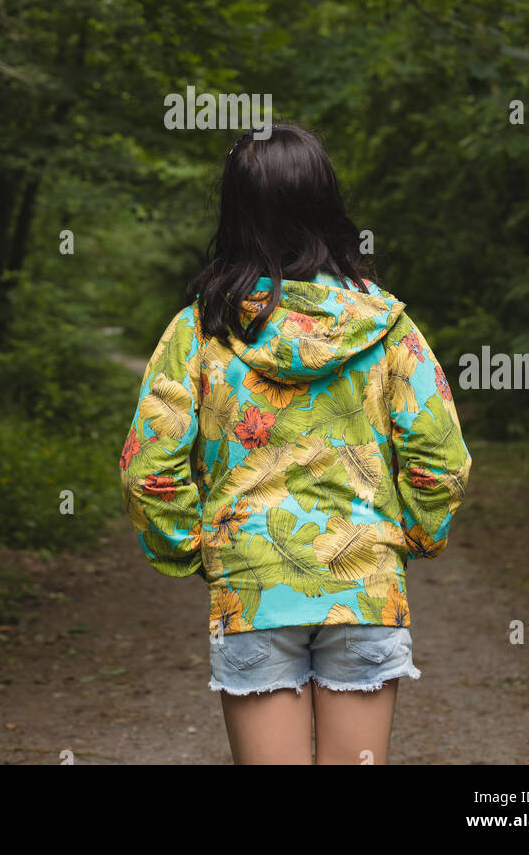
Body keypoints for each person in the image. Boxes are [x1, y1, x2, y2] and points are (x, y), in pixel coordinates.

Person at [119, 122, 471, 765]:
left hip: (252, 588)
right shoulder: (388, 326)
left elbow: (149, 468)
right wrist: (412, 537)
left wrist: (195, 548)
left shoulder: (198, 328)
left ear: (235, 211)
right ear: (326, 204)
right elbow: (441, 459)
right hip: (365, 586)